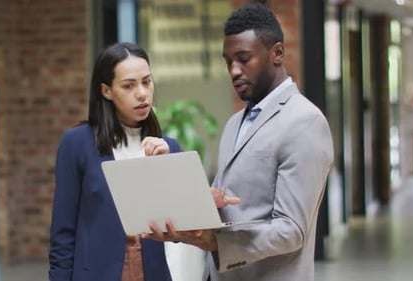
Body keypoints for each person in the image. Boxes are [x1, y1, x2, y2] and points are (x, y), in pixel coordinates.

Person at [143, 3, 334, 281]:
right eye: (228, 61)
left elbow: (291, 230)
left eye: (244, 59)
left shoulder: (305, 122)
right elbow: (231, 206)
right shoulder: (235, 124)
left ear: (277, 53)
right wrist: (191, 202)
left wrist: (216, 243)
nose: (233, 71)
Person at [48, 42, 179, 281]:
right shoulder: (77, 144)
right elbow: (63, 234)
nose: (141, 93)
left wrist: (166, 166)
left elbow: (183, 229)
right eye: (129, 86)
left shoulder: (166, 148)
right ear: (106, 91)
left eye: (147, 82)